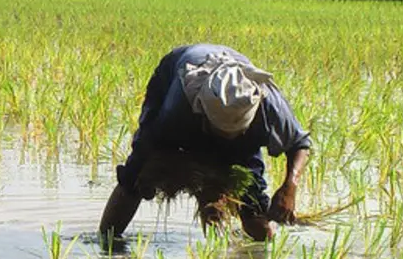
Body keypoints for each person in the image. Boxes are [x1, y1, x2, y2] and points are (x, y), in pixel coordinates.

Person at [99, 44, 311, 241]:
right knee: (136, 175)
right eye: (221, 131)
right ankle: (107, 242)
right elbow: (161, 152)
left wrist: (289, 187)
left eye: (234, 132)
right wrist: (206, 185)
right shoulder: (176, 110)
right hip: (176, 76)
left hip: (240, 132)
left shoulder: (268, 105)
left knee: (257, 220)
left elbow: (300, 143)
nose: (226, 138)